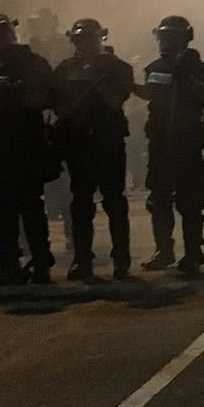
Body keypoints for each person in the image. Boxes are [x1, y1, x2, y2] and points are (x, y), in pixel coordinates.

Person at [0, 13, 57, 285]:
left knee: (30, 205)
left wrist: (19, 98)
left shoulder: (32, 62)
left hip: (25, 144)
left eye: (2, 34)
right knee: (0, 208)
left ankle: (41, 262)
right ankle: (8, 264)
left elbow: (47, 97)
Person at [52, 17, 135, 281]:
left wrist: (96, 81)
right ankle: (82, 259)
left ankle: (121, 260)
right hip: (78, 145)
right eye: (79, 39)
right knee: (80, 205)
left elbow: (114, 102)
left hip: (108, 142)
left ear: (101, 38)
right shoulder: (64, 69)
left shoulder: (118, 67)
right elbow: (55, 104)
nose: (84, 44)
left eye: (89, 38)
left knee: (114, 202)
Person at [138, 15, 204, 273]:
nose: (166, 42)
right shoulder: (153, 68)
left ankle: (193, 252)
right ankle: (164, 250)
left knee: (189, 200)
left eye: (172, 37)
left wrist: (188, 78)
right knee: (159, 199)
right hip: (159, 142)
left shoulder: (197, 67)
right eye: (163, 37)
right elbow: (148, 95)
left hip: (187, 141)